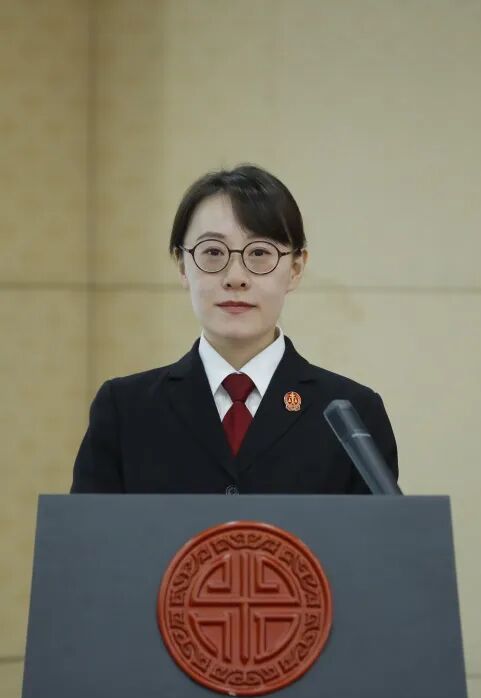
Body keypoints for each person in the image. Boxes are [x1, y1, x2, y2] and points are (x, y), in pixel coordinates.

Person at [71, 164, 399, 494]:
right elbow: (87, 528)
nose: (236, 277)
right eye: (213, 252)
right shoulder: (125, 410)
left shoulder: (353, 412)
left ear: (296, 268)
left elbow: (383, 528)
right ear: (182, 265)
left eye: (259, 253)